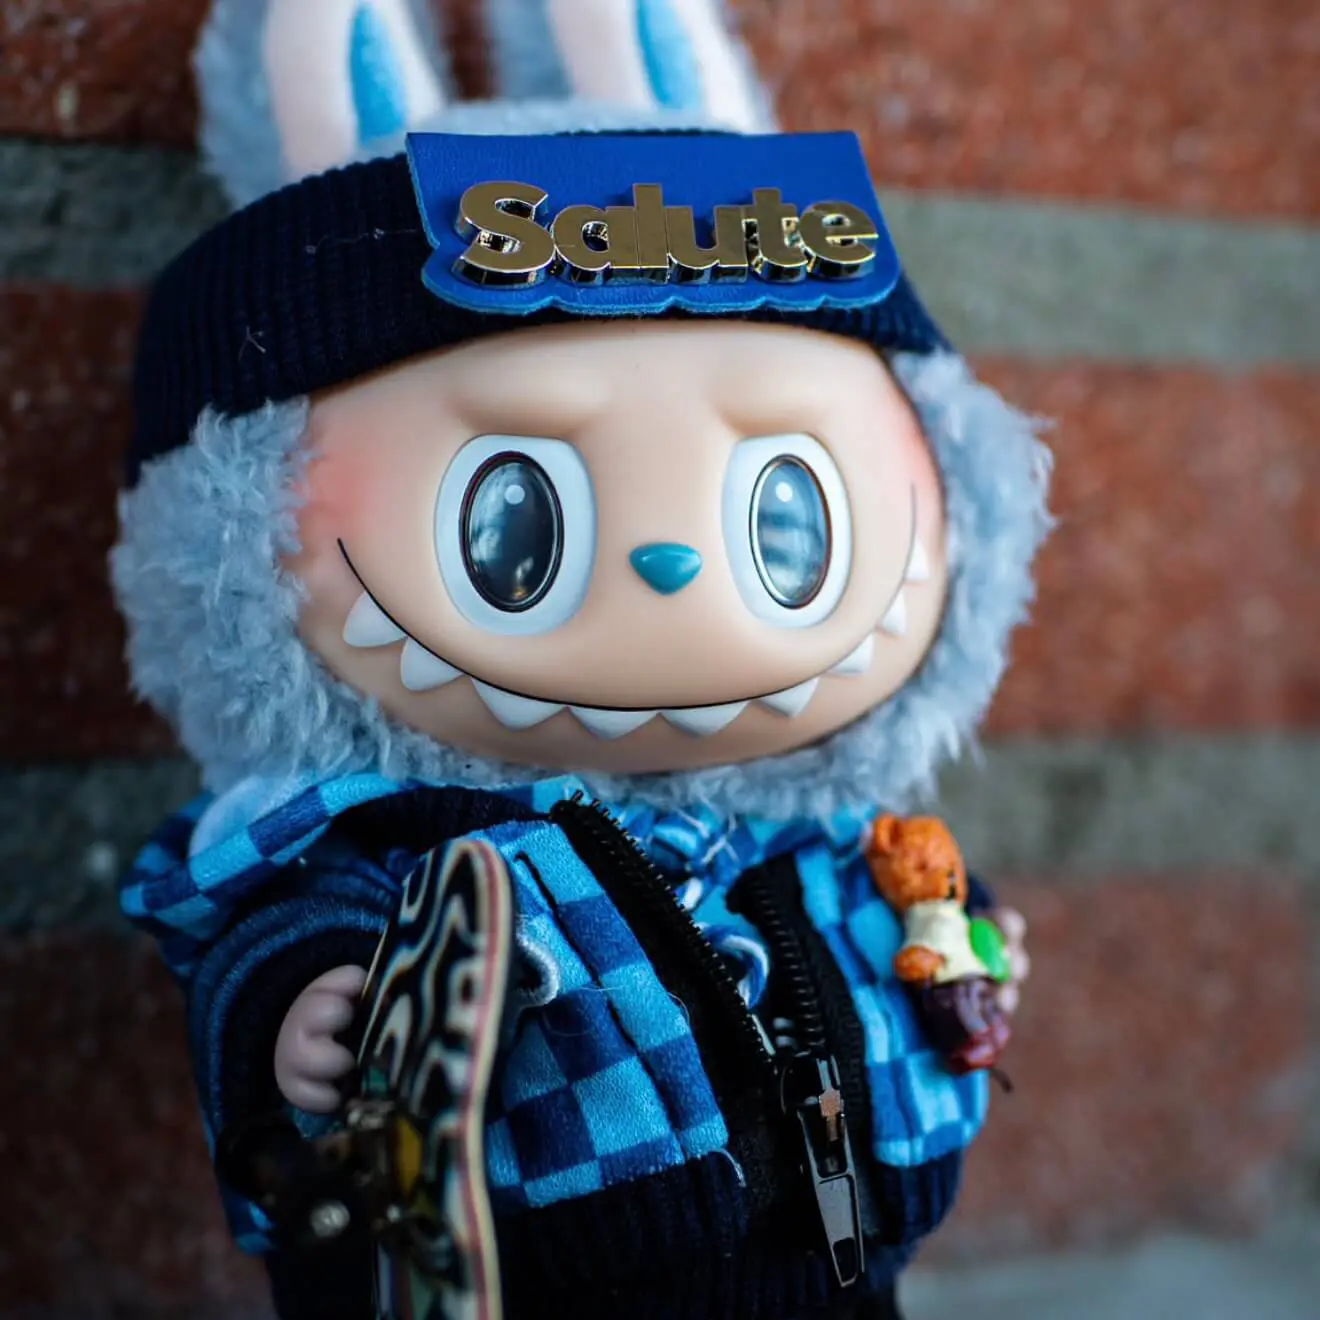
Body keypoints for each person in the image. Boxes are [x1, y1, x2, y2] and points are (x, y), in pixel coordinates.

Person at [111, 3, 1051, 1317]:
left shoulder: (838, 837)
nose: (676, 568)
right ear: (236, 527)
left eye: (784, 515)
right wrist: (302, 1017)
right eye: (515, 520)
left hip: (845, 1269)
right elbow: (273, 933)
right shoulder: (407, 854)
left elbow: (902, 919)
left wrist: (963, 937)